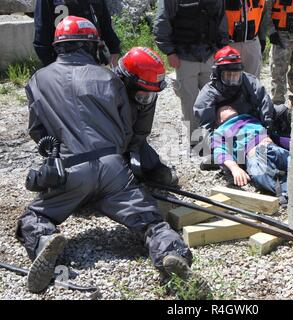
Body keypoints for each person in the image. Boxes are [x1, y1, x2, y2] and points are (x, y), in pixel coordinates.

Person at [17, 16, 206, 296]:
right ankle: (169, 253)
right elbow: (126, 132)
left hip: (70, 169)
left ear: (59, 46)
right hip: (113, 168)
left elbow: (38, 131)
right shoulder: (109, 77)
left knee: (34, 217)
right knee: (151, 222)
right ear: (93, 46)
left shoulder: (37, 80)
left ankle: (45, 241)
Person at [193, 45, 291, 169]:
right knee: (204, 144)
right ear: (218, 73)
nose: (233, 79)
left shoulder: (249, 80)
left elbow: (264, 102)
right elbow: (206, 126)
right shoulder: (208, 93)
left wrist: (267, 126)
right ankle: (226, 159)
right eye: (228, 75)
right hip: (228, 131)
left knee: (282, 111)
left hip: (252, 122)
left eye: (236, 75)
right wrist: (214, 146)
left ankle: (280, 140)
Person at [153, 0, 229, 145]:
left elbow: (221, 20)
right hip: (183, 57)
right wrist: (169, 52)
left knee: (213, 99)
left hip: (210, 54)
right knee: (189, 101)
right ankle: (196, 141)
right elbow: (162, 23)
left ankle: (214, 137)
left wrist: (222, 49)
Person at [114, 47, 178, 186]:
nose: (147, 97)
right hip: (106, 150)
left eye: (151, 94)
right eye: (144, 93)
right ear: (127, 81)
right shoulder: (107, 93)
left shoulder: (148, 93)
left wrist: (134, 158)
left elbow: (141, 131)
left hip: (132, 143)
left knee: (164, 177)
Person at [212, 105, 289, 207]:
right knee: (262, 177)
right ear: (219, 121)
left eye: (230, 106)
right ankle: (289, 192)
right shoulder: (220, 131)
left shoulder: (249, 118)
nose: (228, 106)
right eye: (224, 108)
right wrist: (235, 168)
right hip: (256, 155)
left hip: (274, 148)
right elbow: (220, 152)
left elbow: (274, 136)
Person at [33, 0, 121, 67]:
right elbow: (41, 34)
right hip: (62, 59)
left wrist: (114, 49)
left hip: (92, 58)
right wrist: (51, 65)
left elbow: (105, 23)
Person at [225, 0, 267, 77]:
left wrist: (262, 38)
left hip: (252, 43)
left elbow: (263, 13)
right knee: (229, 83)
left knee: (252, 84)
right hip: (229, 45)